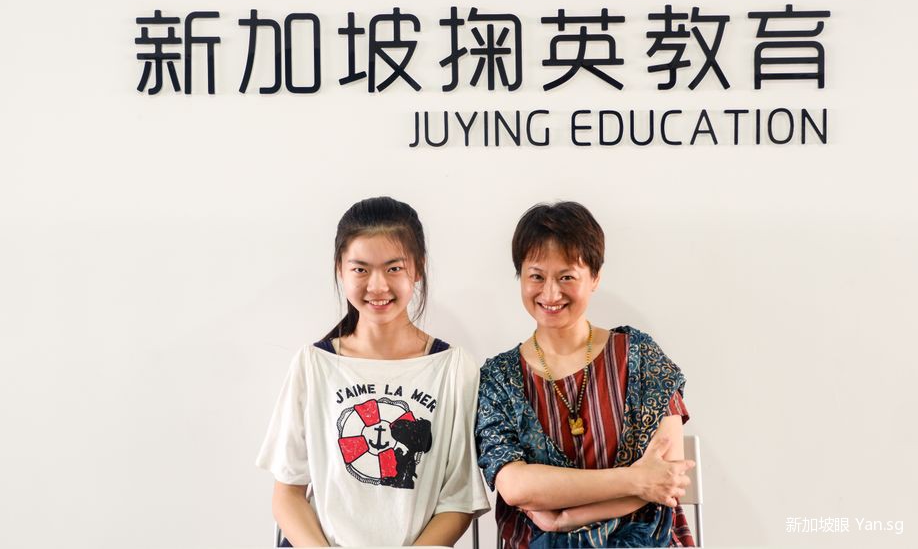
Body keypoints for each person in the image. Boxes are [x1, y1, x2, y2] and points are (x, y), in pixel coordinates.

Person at [257, 197, 489, 546]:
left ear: (419, 268)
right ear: (340, 269)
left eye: (394, 268)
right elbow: (288, 494)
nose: (377, 286)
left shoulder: (454, 369)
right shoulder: (313, 364)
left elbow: (458, 501)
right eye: (360, 269)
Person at [475, 201, 696, 548]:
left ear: (594, 277)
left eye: (566, 277)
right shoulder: (499, 378)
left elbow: (667, 475)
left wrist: (565, 518)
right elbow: (515, 486)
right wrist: (637, 480)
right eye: (536, 276)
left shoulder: (638, 356)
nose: (550, 293)